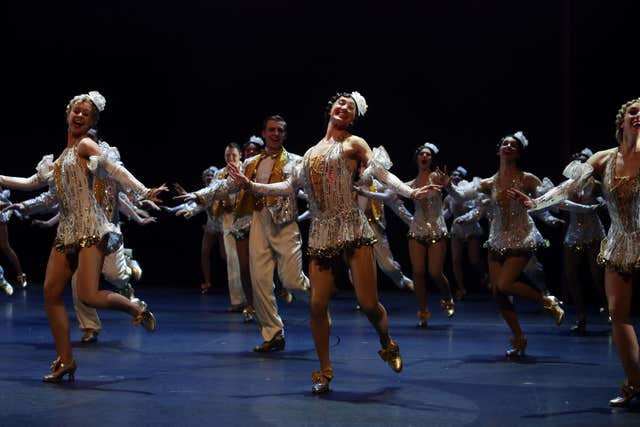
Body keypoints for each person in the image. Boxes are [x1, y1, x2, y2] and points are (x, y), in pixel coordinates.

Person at [227, 92, 434, 394]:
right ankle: (324, 370)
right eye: (340, 103)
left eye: (349, 107)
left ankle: (386, 341)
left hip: (351, 225)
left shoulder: (353, 143)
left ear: (352, 117)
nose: (343, 108)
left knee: (368, 304)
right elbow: (287, 186)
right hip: (322, 231)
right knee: (316, 305)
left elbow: (380, 172)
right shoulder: (310, 154)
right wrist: (251, 185)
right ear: (330, 110)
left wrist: (412, 193)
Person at [4, 91, 165, 382]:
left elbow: (114, 169)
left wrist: (143, 191)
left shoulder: (86, 145)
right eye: (75, 111)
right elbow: (31, 183)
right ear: (67, 115)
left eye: (85, 114)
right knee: (51, 295)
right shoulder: (60, 158)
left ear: (91, 122)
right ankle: (66, 361)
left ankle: (134, 307)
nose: (79, 116)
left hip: (92, 227)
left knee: (88, 296)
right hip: (66, 230)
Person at [511, 98, 640, 407]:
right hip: (620, 241)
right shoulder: (602, 159)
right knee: (618, 316)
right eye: (634, 111)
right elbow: (566, 188)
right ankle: (634, 382)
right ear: (622, 119)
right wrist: (536, 203)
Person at [177, 116, 309, 348]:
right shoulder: (250, 163)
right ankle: (273, 333)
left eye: (280, 130)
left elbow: (290, 188)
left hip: (285, 225)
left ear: (285, 135)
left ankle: (316, 302)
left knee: (293, 282)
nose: (275, 134)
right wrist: (198, 196)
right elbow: (227, 185)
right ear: (264, 133)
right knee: (259, 282)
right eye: (271, 130)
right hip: (259, 222)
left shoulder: (296, 162)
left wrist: (253, 186)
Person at [460, 131, 564, 358]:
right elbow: (461, 197)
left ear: (518, 153)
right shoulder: (490, 182)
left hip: (522, 236)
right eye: (504, 144)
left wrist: (534, 204)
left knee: (505, 285)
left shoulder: (528, 179)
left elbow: (549, 201)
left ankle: (547, 301)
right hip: (497, 237)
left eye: (513, 145)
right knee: (498, 292)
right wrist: (448, 186)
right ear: (498, 150)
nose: (508, 146)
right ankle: (519, 338)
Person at [405, 143, 455, 327]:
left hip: (436, 230)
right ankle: (423, 311)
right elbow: (390, 193)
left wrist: (448, 186)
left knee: (435, 272)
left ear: (431, 160)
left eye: (428, 154)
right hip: (417, 230)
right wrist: (366, 189)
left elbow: (455, 195)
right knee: (418, 272)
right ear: (417, 158)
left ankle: (447, 297)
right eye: (421, 154)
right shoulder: (412, 183)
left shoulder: (437, 177)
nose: (424, 156)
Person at [443, 166, 486, 300]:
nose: (456, 177)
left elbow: (478, 210)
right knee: (456, 260)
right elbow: (444, 215)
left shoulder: (469, 194)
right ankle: (461, 288)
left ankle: (484, 274)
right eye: (454, 175)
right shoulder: (449, 198)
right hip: (457, 230)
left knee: (474, 260)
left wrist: (466, 216)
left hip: (471, 228)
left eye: (459, 176)